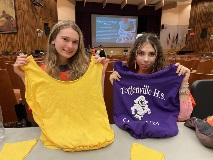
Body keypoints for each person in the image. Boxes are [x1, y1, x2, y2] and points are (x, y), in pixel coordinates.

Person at [13, 20, 113, 151]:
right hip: (55, 133)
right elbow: (39, 105)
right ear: (53, 40)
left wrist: (101, 73)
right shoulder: (43, 72)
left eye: (75, 42)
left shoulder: (87, 70)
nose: (70, 46)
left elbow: (96, 100)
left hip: (87, 130)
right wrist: (23, 76)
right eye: (65, 39)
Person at [110, 33, 195, 122]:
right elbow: (121, 112)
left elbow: (183, 116)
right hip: (131, 129)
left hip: (159, 131)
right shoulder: (124, 79)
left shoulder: (168, 80)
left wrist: (184, 82)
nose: (146, 59)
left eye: (151, 54)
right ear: (134, 56)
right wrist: (117, 85)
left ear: (157, 57)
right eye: (141, 53)